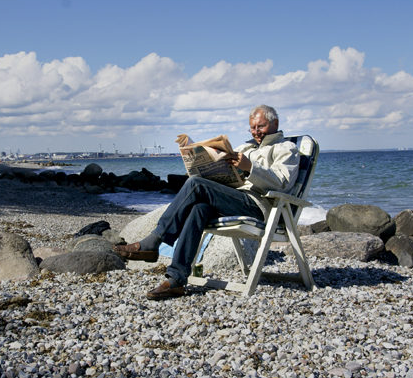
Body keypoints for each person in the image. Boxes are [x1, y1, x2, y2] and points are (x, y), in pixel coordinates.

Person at [114, 105, 301, 300]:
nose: (256, 132)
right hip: (233, 199)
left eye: (260, 127)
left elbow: (282, 182)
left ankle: (153, 242)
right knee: (198, 209)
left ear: (275, 123)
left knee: (195, 185)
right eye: (252, 128)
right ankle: (176, 280)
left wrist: (249, 167)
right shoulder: (245, 147)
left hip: (258, 205)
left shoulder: (286, 149)